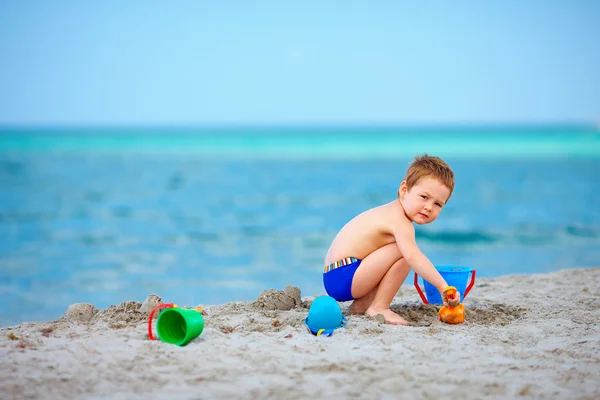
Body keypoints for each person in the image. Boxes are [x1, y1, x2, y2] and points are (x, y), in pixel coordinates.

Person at [322, 154, 461, 325]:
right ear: (404, 190)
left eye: (438, 204)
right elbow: (413, 257)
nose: (428, 207)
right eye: (424, 197)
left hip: (337, 274)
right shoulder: (400, 222)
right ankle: (379, 307)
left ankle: (363, 305)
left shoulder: (391, 212)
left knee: (399, 250)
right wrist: (443, 287)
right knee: (404, 252)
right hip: (344, 275)